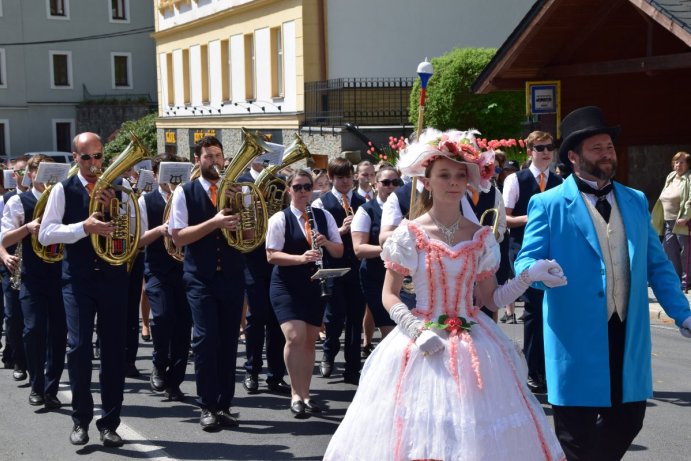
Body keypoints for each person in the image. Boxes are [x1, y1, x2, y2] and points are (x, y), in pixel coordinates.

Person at [324, 128, 567, 460]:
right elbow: (390, 295)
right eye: (444, 175)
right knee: (420, 434)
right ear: (427, 181)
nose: (453, 182)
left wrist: (528, 276)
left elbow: (491, 299)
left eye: (459, 175)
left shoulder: (481, 237)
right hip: (421, 340)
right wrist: (415, 331)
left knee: (471, 435)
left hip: (474, 342)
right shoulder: (410, 233)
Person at [515, 106, 691, 460]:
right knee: (576, 435)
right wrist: (537, 273)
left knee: (628, 420)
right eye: (597, 148)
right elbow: (525, 261)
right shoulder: (547, 204)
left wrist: (683, 314)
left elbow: (657, 266)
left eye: (609, 146)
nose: (607, 153)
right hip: (575, 340)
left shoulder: (636, 199)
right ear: (574, 156)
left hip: (627, 337)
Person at [39, 132, 131, 447]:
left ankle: (110, 423)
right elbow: (46, 234)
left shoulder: (119, 188)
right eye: (87, 157)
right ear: (75, 158)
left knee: (113, 350)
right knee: (78, 349)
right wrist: (83, 227)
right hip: (77, 279)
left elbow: (131, 232)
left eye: (98, 156)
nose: (95, 164)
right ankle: (80, 420)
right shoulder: (62, 190)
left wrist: (115, 211)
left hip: (112, 276)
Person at [169, 135, 246, 431]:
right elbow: (178, 236)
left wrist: (245, 209)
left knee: (228, 341)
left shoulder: (235, 191)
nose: (215, 161)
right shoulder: (184, 192)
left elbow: (251, 236)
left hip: (231, 275)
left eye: (218, 155)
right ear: (197, 161)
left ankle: (224, 404)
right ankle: (206, 405)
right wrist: (214, 223)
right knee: (205, 340)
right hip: (200, 277)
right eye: (209, 156)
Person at [265, 170, 342, 417]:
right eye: (297, 187)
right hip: (286, 285)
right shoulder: (280, 218)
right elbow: (271, 255)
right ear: (289, 189)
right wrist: (300, 257)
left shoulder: (323, 215)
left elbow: (339, 251)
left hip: (313, 285)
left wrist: (326, 243)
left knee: (309, 341)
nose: (303, 192)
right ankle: (295, 394)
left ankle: (306, 394)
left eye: (307, 187)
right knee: (294, 337)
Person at [0, 155, 66, 409]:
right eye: (41, 173)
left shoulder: (62, 200)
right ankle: (37, 384)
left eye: (51, 173)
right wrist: (28, 228)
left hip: (61, 274)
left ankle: (50, 388)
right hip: (32, 275)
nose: (47, 180)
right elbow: (5, 239)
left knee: (59, 333)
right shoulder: (19, 201)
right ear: (30, 175)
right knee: (34, 329)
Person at [502, 130, 563, 393]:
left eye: (549, 147)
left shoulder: (560, 181)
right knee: (533, 311)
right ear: (530, 151)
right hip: (523, 249)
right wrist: (532, 218)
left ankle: (549, 368)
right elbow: (504, 219)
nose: (545, 152)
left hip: (552, 251)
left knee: (552, 310)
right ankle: (532, 370)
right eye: (539, 148)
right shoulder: (516, 179)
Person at [138, 153, 192, 402]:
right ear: (156, 175)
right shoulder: (145, 200)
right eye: (165, 173)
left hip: (186, 269)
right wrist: (160, 230)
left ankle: (175, 381)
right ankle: (159, 362)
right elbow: (136, 241)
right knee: (161, 316)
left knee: (183, 326)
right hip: (158, 268)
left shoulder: (188, 196)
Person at [236, 159, 289, 395]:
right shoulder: (242, 182)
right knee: (256, 317)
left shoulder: (281, 182)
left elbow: (285, 210)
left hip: (277, 253)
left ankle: (276, 374)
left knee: (277, 319)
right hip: (253, 255)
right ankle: (252, 371)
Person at [312, 158, 366, 384]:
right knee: (334, 317)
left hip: (356, 266)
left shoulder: (363, 202)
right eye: (340, 177)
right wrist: (342, 230)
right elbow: (317, 237)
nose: (345, 182)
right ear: (331, 178)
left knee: (355, 317)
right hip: (333, 266)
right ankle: (328, 351)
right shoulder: (321, 204)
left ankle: (352, 368)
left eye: (348, 177)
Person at [351, 166, 401, 356]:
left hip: (403, 277)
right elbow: (358, 249)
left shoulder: (407, 207)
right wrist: (390, 249)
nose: (391, 187)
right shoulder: (366, 210)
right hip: (375, 275)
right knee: (390, 330)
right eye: (386, 183)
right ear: (376, 184)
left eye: (395, 182)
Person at [0, 156, 30, 382]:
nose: (21, 175)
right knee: (13, 317)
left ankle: (35, 360)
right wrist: (4, 256)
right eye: (18, 172)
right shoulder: (8, 199)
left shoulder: (43, 198)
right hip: (11, 262)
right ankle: (19, 360)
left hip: (36, 264)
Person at [652, 151, 691, 289]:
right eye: (676, 161)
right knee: (668, 249)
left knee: (685, 252)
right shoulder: (671, 176)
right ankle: (676, 278)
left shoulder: (689, 178)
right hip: (668, 220)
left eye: (682, 162)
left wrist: (686, 216)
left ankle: (687, 281)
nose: (678, 165)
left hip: (683, 221)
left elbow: (690, 200)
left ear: (688, 165)